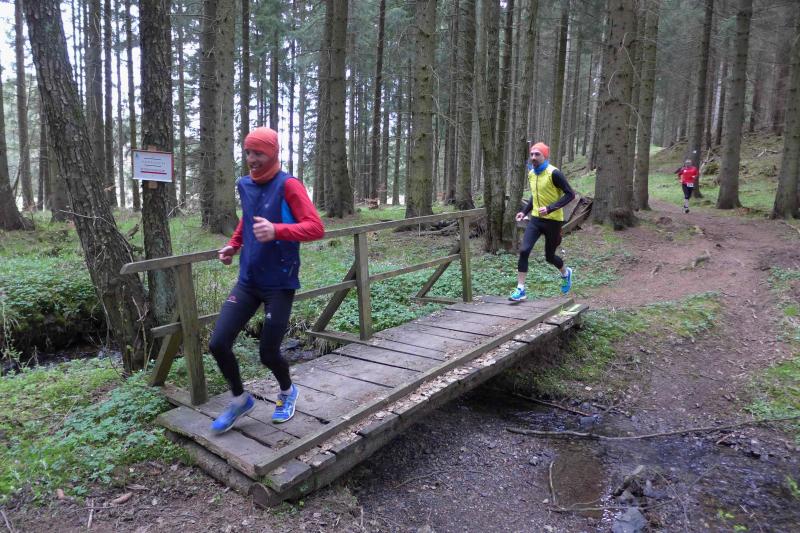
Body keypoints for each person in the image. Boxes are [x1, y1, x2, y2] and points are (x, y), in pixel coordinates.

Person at [209, 127, 324, 434]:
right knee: (218, 343)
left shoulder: (289, 185)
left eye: (258, 152)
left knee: (268, 353)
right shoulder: (245, 184)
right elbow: (248, 220)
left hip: (279, 283)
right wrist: (233, 245)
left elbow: (315, 227)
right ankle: (240, 400)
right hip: (248, 280)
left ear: (272, 153)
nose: (251, 159)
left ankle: (287, 391)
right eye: (248, 152)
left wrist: (277, 230)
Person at [509, 142, 576, 302]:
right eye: (532, 154)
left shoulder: (554, 173)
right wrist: (524, 212)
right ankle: (520, 289)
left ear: (544, 156)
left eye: (537, 154)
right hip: (536, 220)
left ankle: (566, 273)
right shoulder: (532, 173)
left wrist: (550, 208)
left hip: (553, 221)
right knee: (524, 251)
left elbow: (570, 194)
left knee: (549, 257)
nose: (533, 157)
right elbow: (535, 196)